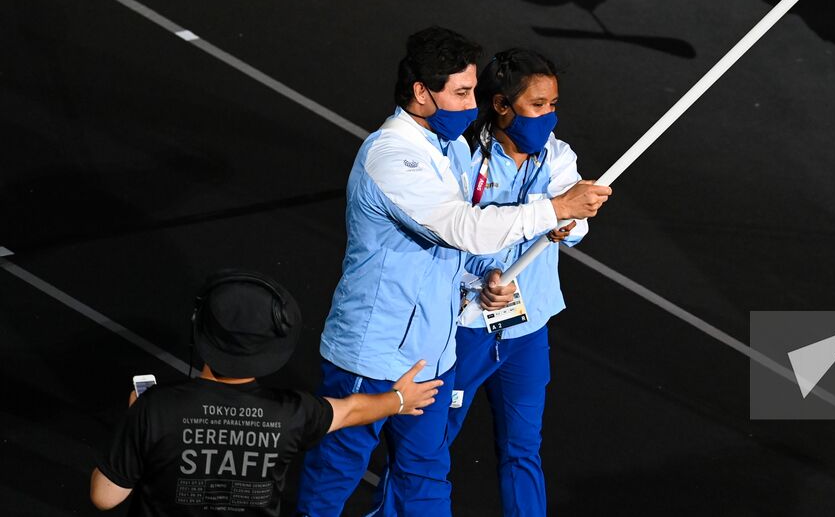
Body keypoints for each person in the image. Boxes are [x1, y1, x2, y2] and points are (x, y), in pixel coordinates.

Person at [295, 28, 609, 517]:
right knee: (336, 472)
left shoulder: (448, 150)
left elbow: (455, 257)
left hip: (433, 353)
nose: (471, 105)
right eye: (462, 93)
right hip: (374, 354)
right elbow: (463, 229)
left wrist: (478, 281)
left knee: (426, 478)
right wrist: (552, 209)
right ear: (422, 92)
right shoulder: (393, 156)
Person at [381, 48, 585, 517]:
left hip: (527, 332)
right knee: (427, 448)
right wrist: (477, 283)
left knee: (523, 450)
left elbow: (577, 226)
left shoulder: (558, 157)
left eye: (553, 104)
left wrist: (569, 219)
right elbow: (446, 237)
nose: (548, 117)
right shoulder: (462, 158)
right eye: (538, 105)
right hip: (464, 332)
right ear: (501, 105)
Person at [90, 271, 443, 516]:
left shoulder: (154, 410)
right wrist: (398, 400)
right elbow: (350, 410)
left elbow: (105, 496)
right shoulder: (291, 413)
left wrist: (133, 422)